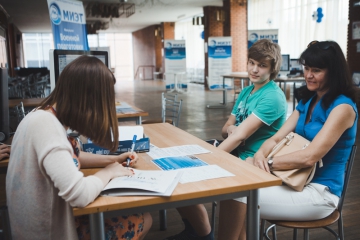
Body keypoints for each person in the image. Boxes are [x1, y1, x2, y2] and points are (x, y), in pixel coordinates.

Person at [218, 40, 358, 240]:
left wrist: (266, 163)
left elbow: (310, 157)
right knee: (237, 186)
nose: (308, 75)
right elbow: (275, 139)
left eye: (316, 70)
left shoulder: (342, 107)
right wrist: (259, 154)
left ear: (333, 72)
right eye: (306, 68)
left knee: (237, 192)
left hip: (319, 193)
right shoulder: (308, 100)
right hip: (291, 180)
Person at [6, 56, 152, 240]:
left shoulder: (41, 115)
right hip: (51, 232)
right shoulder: (47, 127)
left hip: (36, 227)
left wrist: (114, 159)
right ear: (89, 100)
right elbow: (80, 195)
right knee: (143, 218)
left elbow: (69, 157)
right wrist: (108, 172)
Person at [164, 39, 288, 240]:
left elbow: (239, 136)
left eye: (262, 65)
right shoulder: (247, 91)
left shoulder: (272, 96)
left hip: (252, 163)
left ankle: (201, 231)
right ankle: (197, 229)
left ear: (272, 69)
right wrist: (232, 128)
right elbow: (226, 130)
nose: (254, 69)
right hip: (237, 155)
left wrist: (210, 158)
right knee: (178, 168)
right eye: (251, 63)